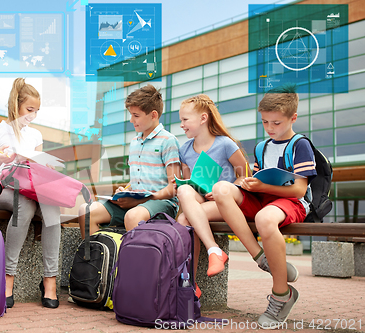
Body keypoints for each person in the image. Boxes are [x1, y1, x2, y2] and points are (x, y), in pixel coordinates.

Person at [213, 84, 317, 328]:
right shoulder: (262, 147)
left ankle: (282, 295)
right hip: (264, 199)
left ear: (293, 118)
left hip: (291, 202)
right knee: (221, 189)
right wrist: (248, 183)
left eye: (276, 123)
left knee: (265, 219)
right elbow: (259, 180)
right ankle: (261, 257)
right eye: (265, 122)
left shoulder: (300, 145)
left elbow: (299, 190)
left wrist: (261, 188)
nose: (270, 128)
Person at [0, 78, 61, 309]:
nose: (33, 115)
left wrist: (45, 166)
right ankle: (8, 277)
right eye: (29, 109)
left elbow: (37, 173)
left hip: (28, 188)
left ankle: (50, 280)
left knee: (51, 206)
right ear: (15, 105)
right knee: (24, 202)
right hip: (0, 189)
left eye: (37, 111)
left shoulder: (35, 136)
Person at [78, 84, 181, 238]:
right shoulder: (134, 142)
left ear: (153, 115)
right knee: (86, 211)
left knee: (133, 216)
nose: (131, 120)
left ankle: (134, 262)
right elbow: (137, 180)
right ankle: (95, 260)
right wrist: (125, 191)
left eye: (136, 115)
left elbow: (173, 187)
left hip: (162, 203)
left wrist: (142, 200)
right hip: (137, 203)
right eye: (131, 115)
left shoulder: (168, 141)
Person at [176, 94, 249, 278]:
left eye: (185, 119)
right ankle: (199, 272)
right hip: (201, 202)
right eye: (180, 120)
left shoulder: (225, 144)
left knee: (186, 219)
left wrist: (223, 190)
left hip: (225, 203)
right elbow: (189, 185)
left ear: (203, 118)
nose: (181, 124)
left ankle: (194, 278)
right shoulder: (184, 150)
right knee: (183, 191)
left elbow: (246, 176)